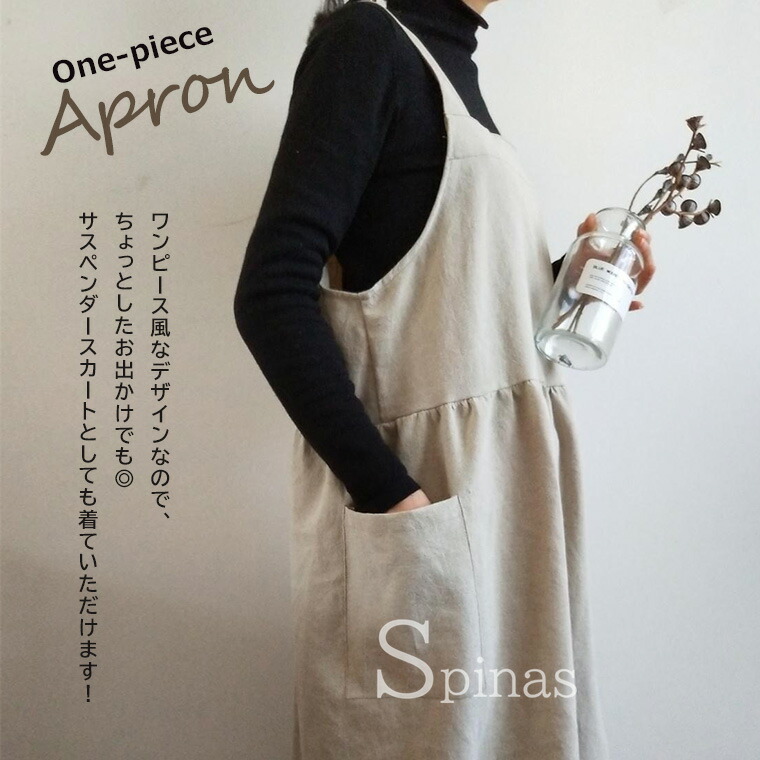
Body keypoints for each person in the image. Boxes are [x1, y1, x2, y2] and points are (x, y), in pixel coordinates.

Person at [234, 0, 654, 758]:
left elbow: (451, 300)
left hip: (507, 502)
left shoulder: (453, 66)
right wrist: (393, 496)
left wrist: (572, 276)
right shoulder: (366, 43)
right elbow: (270, 293)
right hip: (428, 494)